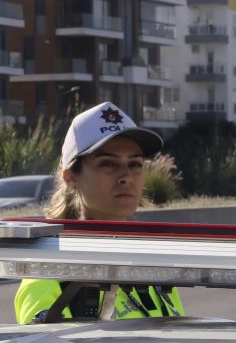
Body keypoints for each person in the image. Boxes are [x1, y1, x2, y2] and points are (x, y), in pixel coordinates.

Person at [14, 102, 184, 324]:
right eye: (108, 164)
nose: (126, 176)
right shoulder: (45, 272)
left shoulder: (152, 264)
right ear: (70, 178)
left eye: (135, 164)